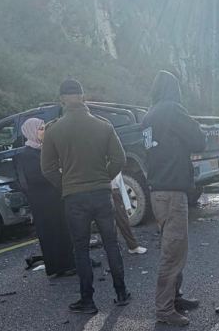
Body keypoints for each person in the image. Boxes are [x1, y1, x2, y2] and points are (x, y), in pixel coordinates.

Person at [41, 79, 130, 314]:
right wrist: (103, 177)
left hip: (74, 198)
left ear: (61, 99)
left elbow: (47, 168)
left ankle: (87, 300)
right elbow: (120, 159)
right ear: (83, 96)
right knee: (111, 243)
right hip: (101, 194)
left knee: (80, 249)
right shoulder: (103, 125)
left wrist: (65, 184)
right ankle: (121, 293)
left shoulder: (53, 130)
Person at [140, 70, 206, 327]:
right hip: (172, 191)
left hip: (158, 190)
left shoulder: (149, 115)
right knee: (173, 251)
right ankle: (165, 308)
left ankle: (175, 297)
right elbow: (198, 141)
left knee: (173, 246)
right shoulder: (172, 110)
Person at [13, 117, 75, 278]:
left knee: (62, 230)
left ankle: (69, 262)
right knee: (51, 232)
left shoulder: (43, 149)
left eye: (44, 128)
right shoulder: (27, 154)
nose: (43, 132)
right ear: (31, 132)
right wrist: (56, 173)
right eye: (40, 129)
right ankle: (59, 266)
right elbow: (35, 177)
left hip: (54, 197)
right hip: (42, 201)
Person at [111, 175, 147, 254]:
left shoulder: (115, 170)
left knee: (123, 221)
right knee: (107, 224)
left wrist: (127, 205)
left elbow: (121, 185)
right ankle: (113, 250)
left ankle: (133, 246)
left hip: (114, 191)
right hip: (101, 193)